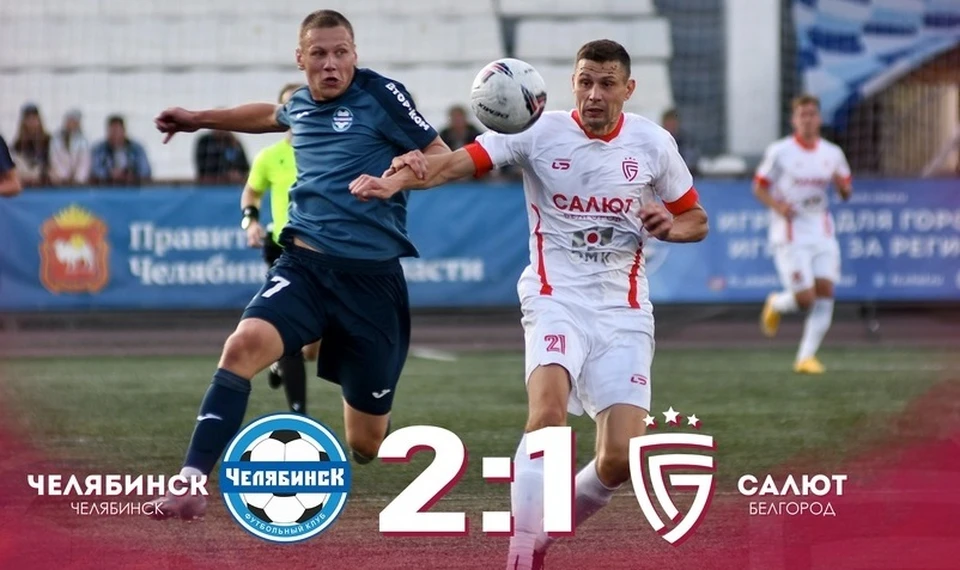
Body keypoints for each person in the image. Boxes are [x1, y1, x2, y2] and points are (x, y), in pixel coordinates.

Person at [350, 39, 709, 570]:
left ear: (628, 89)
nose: (593, 94)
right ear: (572, 84)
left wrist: (669, 227)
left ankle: (541, 535)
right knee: (547, 414)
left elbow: (695, 219)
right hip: (553, 296)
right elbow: (455, 164)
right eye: (585, 81)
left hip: (624, 311)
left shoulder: (653, 145)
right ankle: (520, 550)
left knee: (619, 459)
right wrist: (394, 180)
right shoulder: (537, 131)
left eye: (606, 83)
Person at [146, 9, 449, 520]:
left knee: (366, 443)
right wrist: (198, 118)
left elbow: (444, 157)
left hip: (372, 283)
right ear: (300, 58)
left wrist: (406, 171)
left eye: (341, 53)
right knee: (241, 347)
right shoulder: (301, 105)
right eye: (319, 54)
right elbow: (270, 115)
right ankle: (190, 483)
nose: (331, 64)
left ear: (355, 54)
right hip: (304, 266)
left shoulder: (381, 95)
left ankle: (341, 366)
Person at [754, 94, 852, 374]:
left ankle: (805, 357)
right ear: (794, 120)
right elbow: (759, 187)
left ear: (819, 119)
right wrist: (779, 206)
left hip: (821, 229)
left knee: (826, 292)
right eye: (802, 115)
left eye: (812, 114)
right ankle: (776, 303)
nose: (808, 119)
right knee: (805, 299)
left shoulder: (832, 153)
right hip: (791, 232)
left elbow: (846, 191)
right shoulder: (780, 151)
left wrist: (842, 187)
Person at [240, 82, 319, 415]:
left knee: (314, 346)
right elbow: (252, 192)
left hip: (323, 249)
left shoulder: (328, 151)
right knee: (289, 327)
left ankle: (277, 361)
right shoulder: (270, 156)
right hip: (282, 249)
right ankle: (299, 416)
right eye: (289, 106)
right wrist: (251, 221)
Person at [90, 115, 152, 185]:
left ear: (124, 131)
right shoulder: (99, 150)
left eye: (118, 131)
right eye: (113, 132)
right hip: (106, 188)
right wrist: (109, 174)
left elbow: (145, 171)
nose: (115, 135)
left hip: (133, 188)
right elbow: (94, 171)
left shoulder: (137, 149)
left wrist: (130, 175)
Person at [11, 103, 51, 187]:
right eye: (28, 119)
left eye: (34, 118)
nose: (31, 122)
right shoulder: (17, 144)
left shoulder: (48, 140)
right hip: (26, 183)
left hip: (45, 183)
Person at [50, 109, 92, 185]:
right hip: (59, 181)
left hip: (78, 183)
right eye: (70, 121)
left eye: (75, 121)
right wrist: (64, 177)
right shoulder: (56, 140)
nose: (72, 124)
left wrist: (78, 178)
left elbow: (84, 162)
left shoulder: (83, 141)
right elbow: (55, 160)